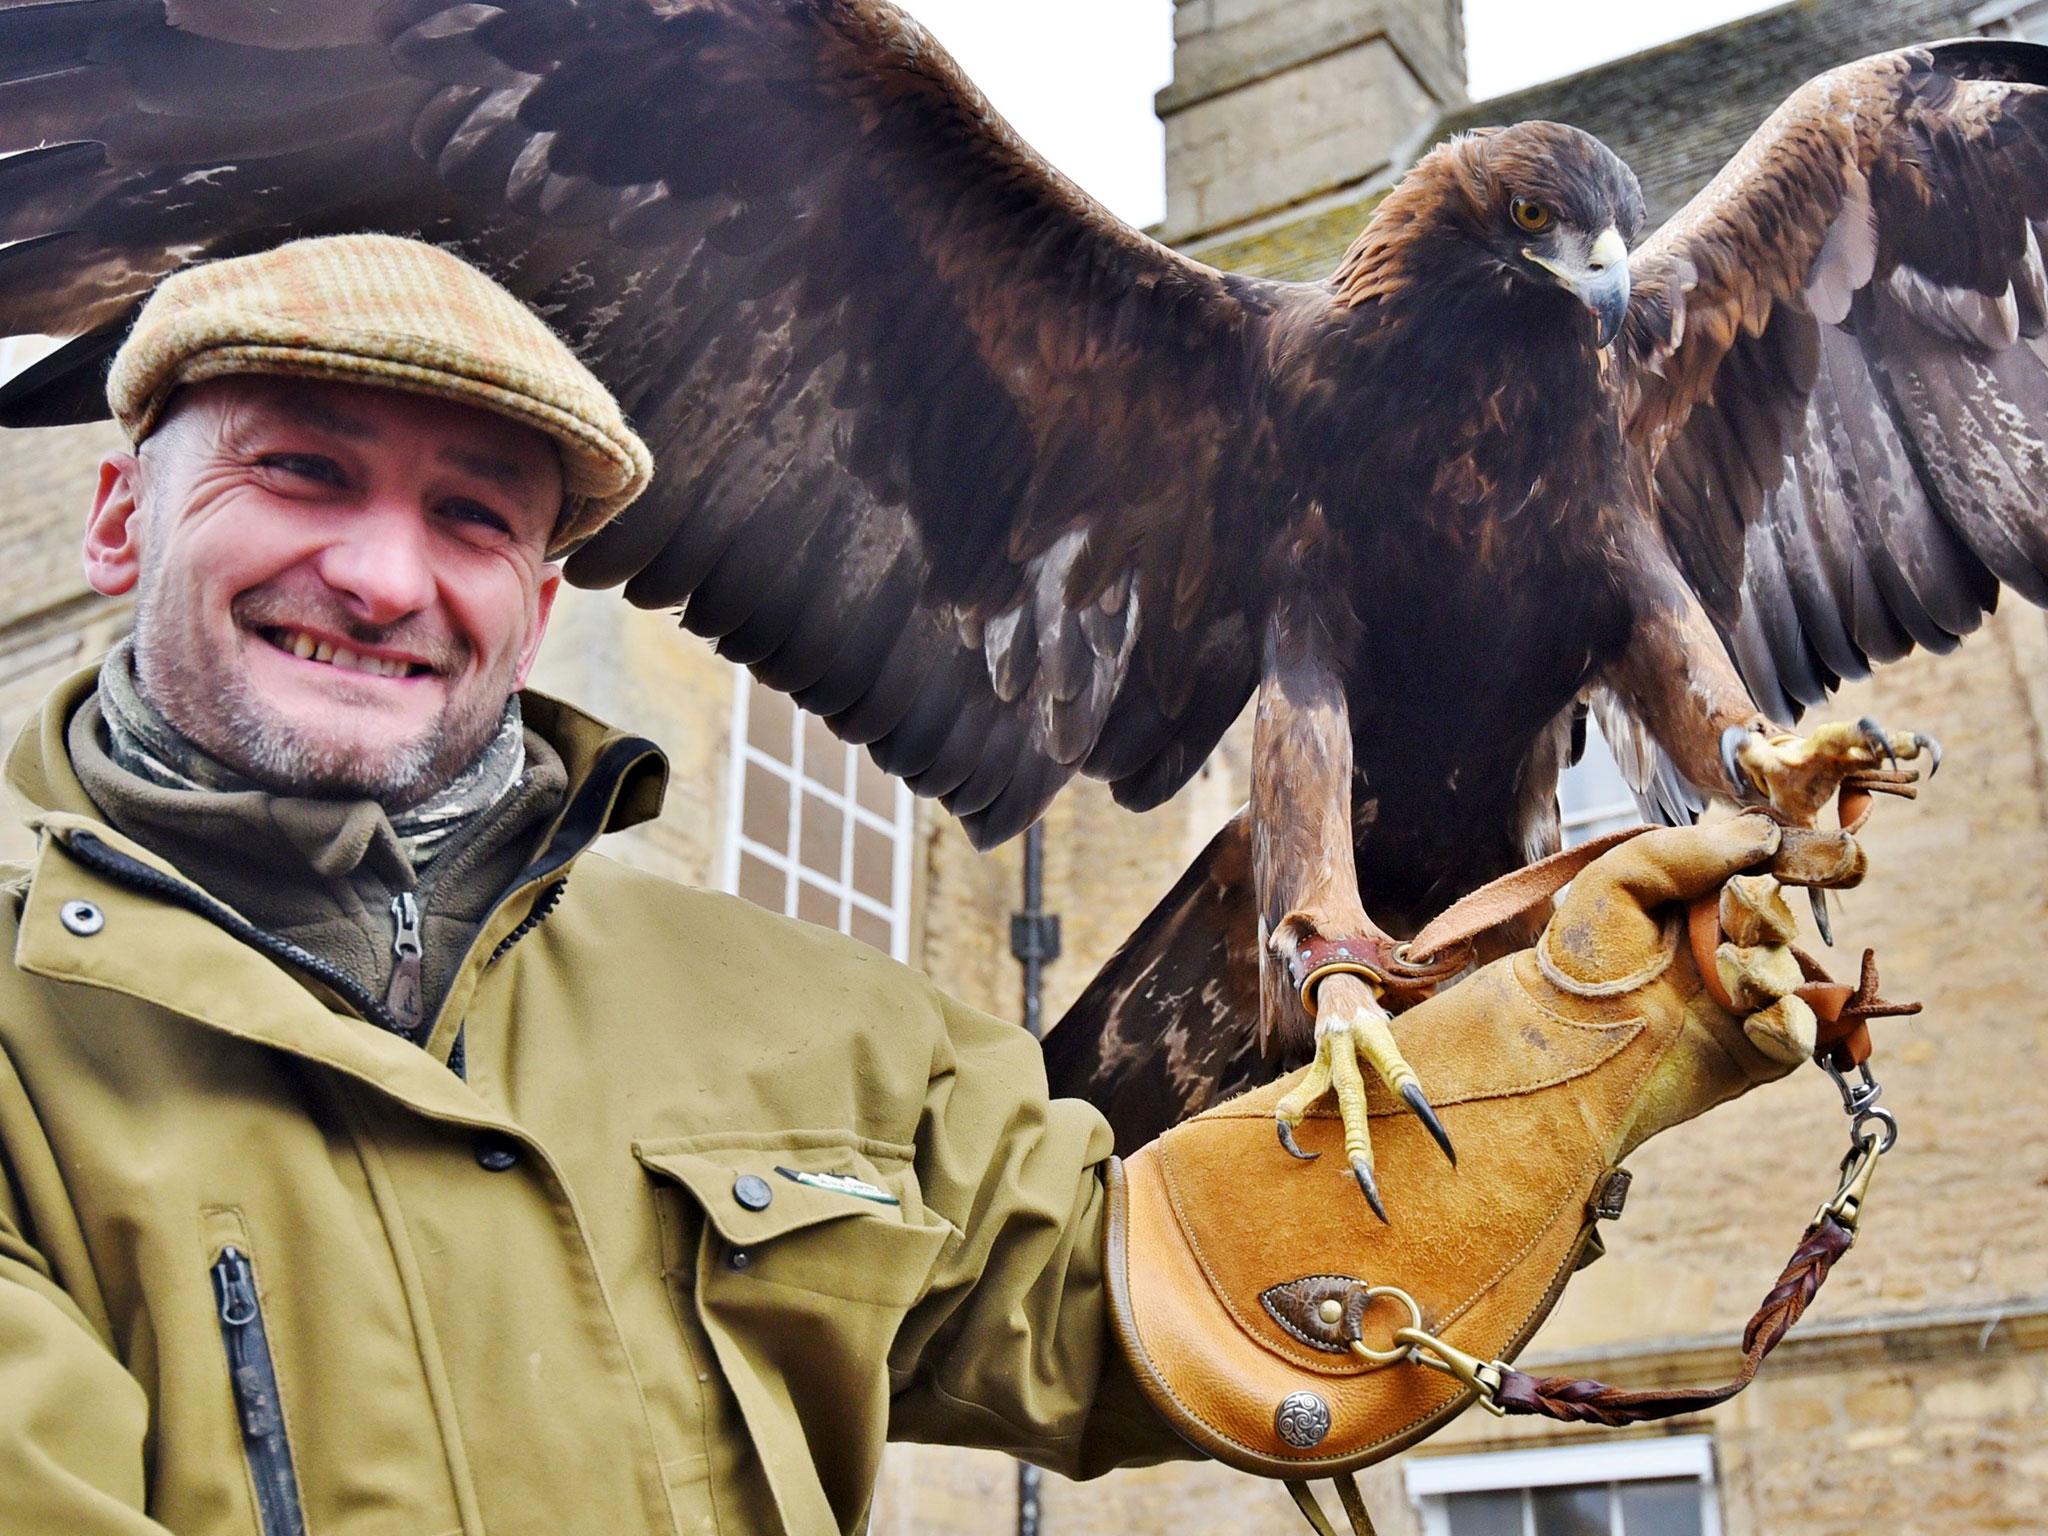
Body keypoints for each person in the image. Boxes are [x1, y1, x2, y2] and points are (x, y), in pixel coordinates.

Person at [0, 234, 1819, 1536]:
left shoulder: (799, 1022)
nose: (390, 578)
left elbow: (1152, 1298)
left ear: (543, 601)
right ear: (116, 520)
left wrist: (1578, 1059)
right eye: (301, 474)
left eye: (476, 516)